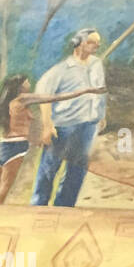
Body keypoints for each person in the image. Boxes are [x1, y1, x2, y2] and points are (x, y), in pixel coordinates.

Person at [0, 73, 107, 203]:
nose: (29, 84)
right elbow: (55, 97)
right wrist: (86, 90)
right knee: (5, 186)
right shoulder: (22, 99)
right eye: (26, 82)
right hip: (17, 146)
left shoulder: (5, 105)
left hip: (4, 145)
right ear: (20, 86)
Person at [30, 28, 107, 207]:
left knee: (78, 169)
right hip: (64, 126)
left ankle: (65, 206)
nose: (96, 46)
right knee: (50, 167)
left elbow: (100, 91)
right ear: (78, 43)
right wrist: (47, 125)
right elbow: (44, 96)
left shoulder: (97, 64)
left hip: (88, 125)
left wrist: (101, 115)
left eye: (98, 43)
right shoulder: (61, 70)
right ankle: (38, 205)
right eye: (92, 42)